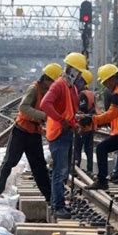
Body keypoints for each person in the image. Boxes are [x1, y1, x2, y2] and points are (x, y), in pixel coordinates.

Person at [0, 63, 63, 201]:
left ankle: (50, 197)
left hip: (34, 133)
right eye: (53, 82)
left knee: (39, 166)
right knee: (10, 161)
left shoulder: (47, 92)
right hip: (21, 131)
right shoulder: (34, 89)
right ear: (47, 80)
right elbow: (23, 107)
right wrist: (44, 116)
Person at [80, 64, 118, 203]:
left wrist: (93, 119)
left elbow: (112, 114)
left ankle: (102, 180)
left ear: (112, 79)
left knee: (101, 148)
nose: (106, 85)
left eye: (106, 81)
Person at [40, 52, 87, 219]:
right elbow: (45, 104)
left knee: (64, 171)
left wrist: (74, 124)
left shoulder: (71, 88)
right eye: (79, 71)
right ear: (72, 70)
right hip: (59, 134)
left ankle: (58, 203)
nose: (80, 75)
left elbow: (70, 111)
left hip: (66, 133)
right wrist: (61, 120)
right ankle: (57, 206)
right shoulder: (59, 85)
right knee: (60, 172)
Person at [73, 70, 96, 175]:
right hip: (90, 127)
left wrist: (80, 125)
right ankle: (90, 169)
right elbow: (92, 109)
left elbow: (82, 111)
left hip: (83, 127)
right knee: (89, 149)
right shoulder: (90, 93)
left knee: (77, 149)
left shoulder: (82, 94)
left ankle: (76, 169)